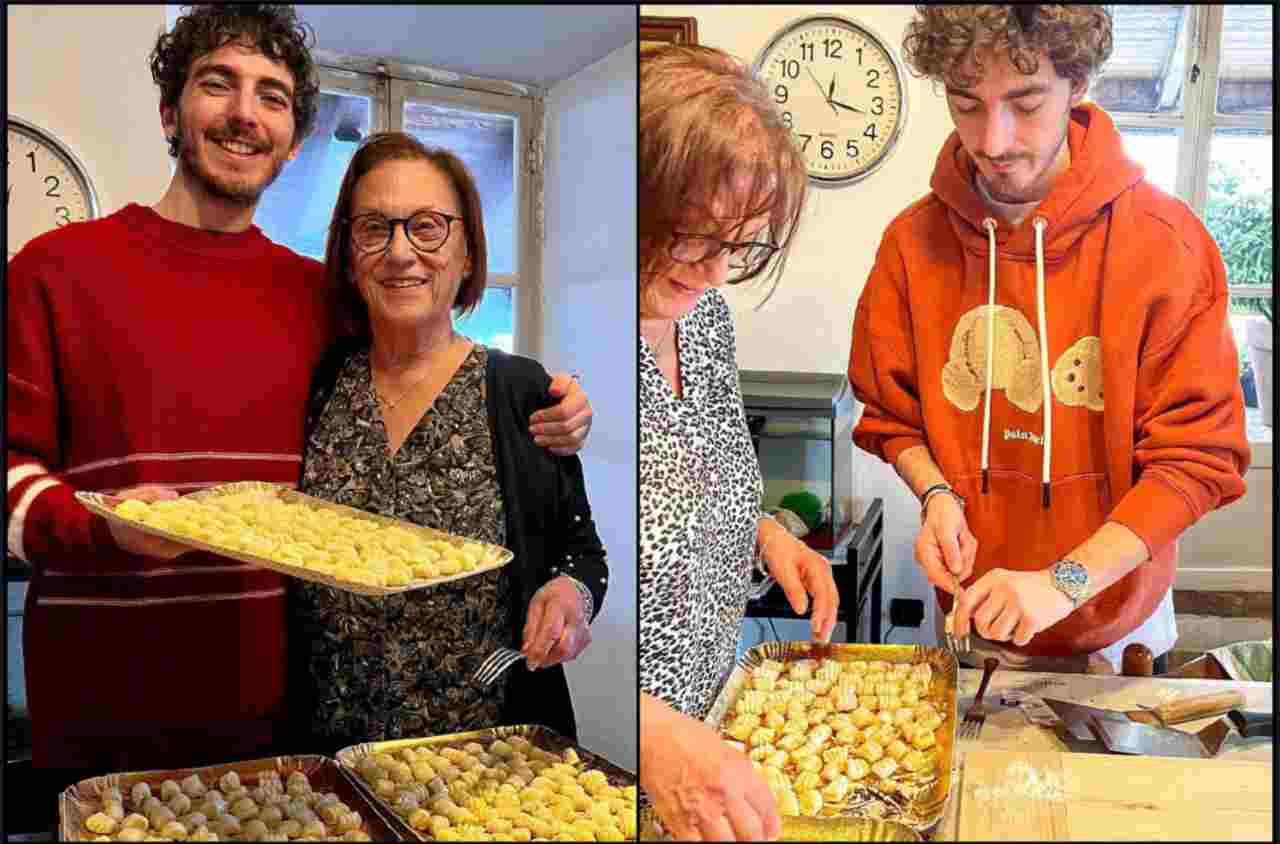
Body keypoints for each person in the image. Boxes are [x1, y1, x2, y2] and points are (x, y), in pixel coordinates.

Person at [5, 3, 591, 785]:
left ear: (292, 134)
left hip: (282, 736)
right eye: (218, 84)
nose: (245, 114)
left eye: (272, 96)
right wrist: (106, 529)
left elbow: (417, 355)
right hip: (103, 721)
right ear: (168, 109)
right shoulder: (55, 270)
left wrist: (562, 402)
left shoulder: (314, 298)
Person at [848, 5, 1250, 674]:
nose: (994, 140)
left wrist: (1063, 582)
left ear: (1079, 83)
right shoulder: (911, 246)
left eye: (1026, 102)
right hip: (969, 617)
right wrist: (936, 494)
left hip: (1122, 626)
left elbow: (1196, 460)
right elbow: (893, 417)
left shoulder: (1166, 244)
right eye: (966, 104)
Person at [288, 132, 607, 751]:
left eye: (427, 227)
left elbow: (581, 550)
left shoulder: (522, 393)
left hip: (482, 764)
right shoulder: (321, 381)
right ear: (350, 254)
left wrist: (570, 595)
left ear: (467, 253)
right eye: (375, 228)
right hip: (330, 760)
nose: (401, 252)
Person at [637, 45, 840, 842]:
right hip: (604, 763)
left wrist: (762, 536)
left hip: (705, 754)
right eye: (692, 236)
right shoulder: (555, 355)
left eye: (743, 245)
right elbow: (503, 616)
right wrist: (651, 736)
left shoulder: (705, 318)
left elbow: (699, 473)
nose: (719, 272)